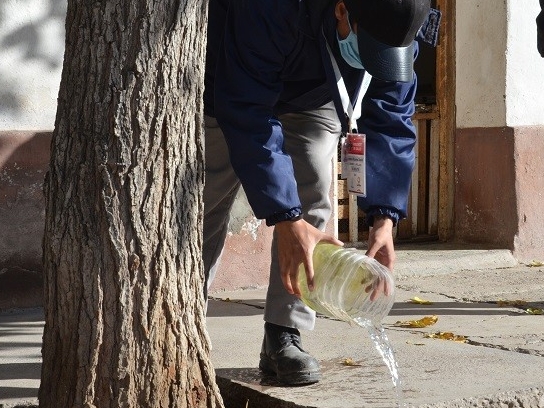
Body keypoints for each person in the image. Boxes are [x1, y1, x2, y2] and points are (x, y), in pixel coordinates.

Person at [203, 0, 439, 385]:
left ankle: (284, 333)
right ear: (342, 10)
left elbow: (392, 116)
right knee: (206, 200)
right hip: (230, 79)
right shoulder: (270, 9)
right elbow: (247, 110)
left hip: (316, 91)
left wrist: (384, 218)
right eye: (368, 50)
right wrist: (284, 218)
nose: (374, 61)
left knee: (313, 182)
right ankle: (179, 317)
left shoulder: (398, 23)